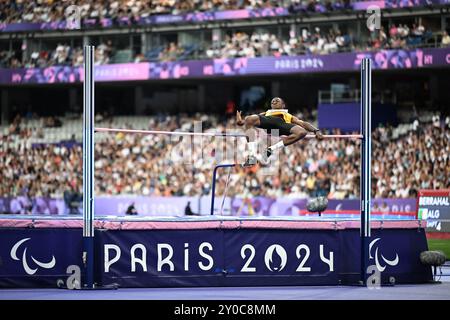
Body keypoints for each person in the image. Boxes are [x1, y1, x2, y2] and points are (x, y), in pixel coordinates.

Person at [236, 97, 323, 166]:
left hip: (282, 124)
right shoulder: (266, 113)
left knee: (302, 132)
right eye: (272, 101)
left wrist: (316, 130)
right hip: (268, 122)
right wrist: (242, 122)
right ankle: (252, 157)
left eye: (277, 100)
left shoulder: (287, 114)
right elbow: (250, 120)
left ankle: (271, 149)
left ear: (283, 105)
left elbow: (303, 123)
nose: (274, 101)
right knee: (248, 118)